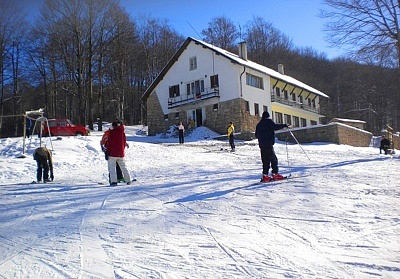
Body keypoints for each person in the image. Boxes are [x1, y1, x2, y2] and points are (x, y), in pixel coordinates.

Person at [255, 111, 289, 182]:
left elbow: (256, 135)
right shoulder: (268, 122)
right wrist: (284, 125)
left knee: (265, 161)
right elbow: (275, 127)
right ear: (268, 116)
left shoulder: (259, 125)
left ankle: (265, 176)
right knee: (273, 160)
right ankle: (275, 174)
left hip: (262, 146)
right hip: (268, 144)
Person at [106, 121, 131, 185]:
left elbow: (109, 143)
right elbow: (124, 142)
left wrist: (107, 152)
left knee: (112, 168)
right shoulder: (122, 132)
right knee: (123, 167)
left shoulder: (111, 132)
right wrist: (122, 150)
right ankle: (128, 180)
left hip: (112, 154)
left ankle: (114, 181)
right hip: (121, 153)